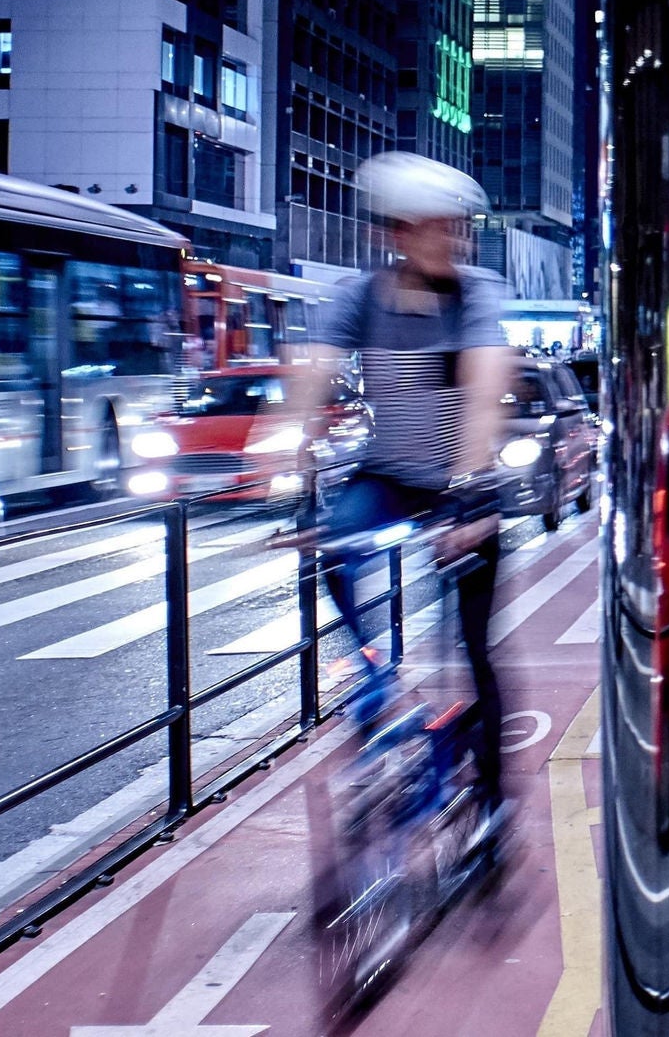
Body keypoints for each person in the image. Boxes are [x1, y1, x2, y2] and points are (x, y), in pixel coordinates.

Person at [291, 151, 513, 831]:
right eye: (438, 228)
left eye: (460, 228)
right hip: (388, 476)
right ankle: (376, 679)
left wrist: (471, 503)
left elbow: (483, 395)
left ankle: (492, 802)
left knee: (474, 651)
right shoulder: (360, 297)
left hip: (462, 485)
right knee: (327, 549)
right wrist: (295, 465)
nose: (456, 241)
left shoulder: (473, 295)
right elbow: (315, 374)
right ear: (397, 235)